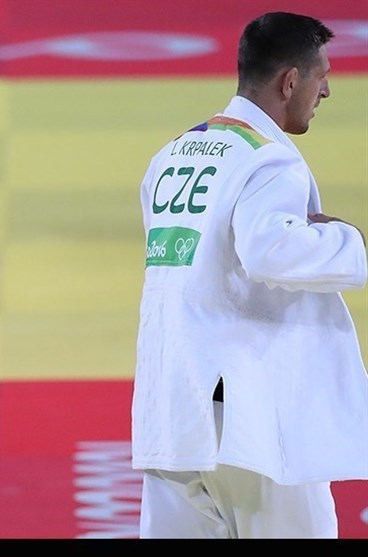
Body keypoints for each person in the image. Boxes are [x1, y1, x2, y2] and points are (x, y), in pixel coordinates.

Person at [131, 12, 367, 539]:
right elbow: (270, 251)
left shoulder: (173, 155)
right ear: (290, 81)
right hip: (248, 416)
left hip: (171, 405)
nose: (326, 91)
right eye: (322, 75)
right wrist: (346, 239)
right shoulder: (269, 160)